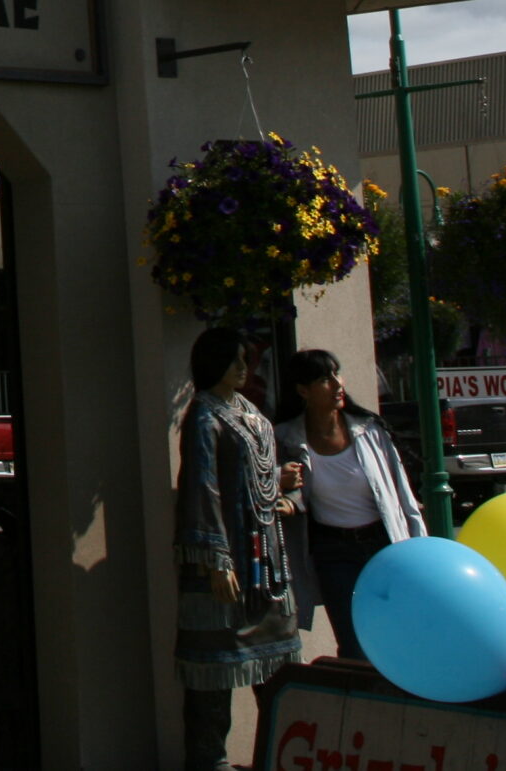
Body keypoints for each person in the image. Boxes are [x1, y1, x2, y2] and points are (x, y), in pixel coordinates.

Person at [176, 327, 301, 771]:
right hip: (228, 559)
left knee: (278, 674)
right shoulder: (205, 416)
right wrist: (214, 558)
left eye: (244, 360)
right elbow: (202, 487)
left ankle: (278, 753)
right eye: (233, 361)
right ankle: (210, 761)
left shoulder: (249, 411)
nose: (243, 369)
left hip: (265, 559)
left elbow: (256, 476)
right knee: (213, 675)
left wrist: (277, 489)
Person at [272, 347, 423, 660]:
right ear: (303, 390)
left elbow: (402, 495)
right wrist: (281, 490)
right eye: (324, 379)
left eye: (336, 374)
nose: (337, 383)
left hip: (381, 543)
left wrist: (419, 548)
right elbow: (266, 483)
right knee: (354, 644)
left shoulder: (369, 430)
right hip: (333, 552)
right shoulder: (284, 437)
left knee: (395, 632)